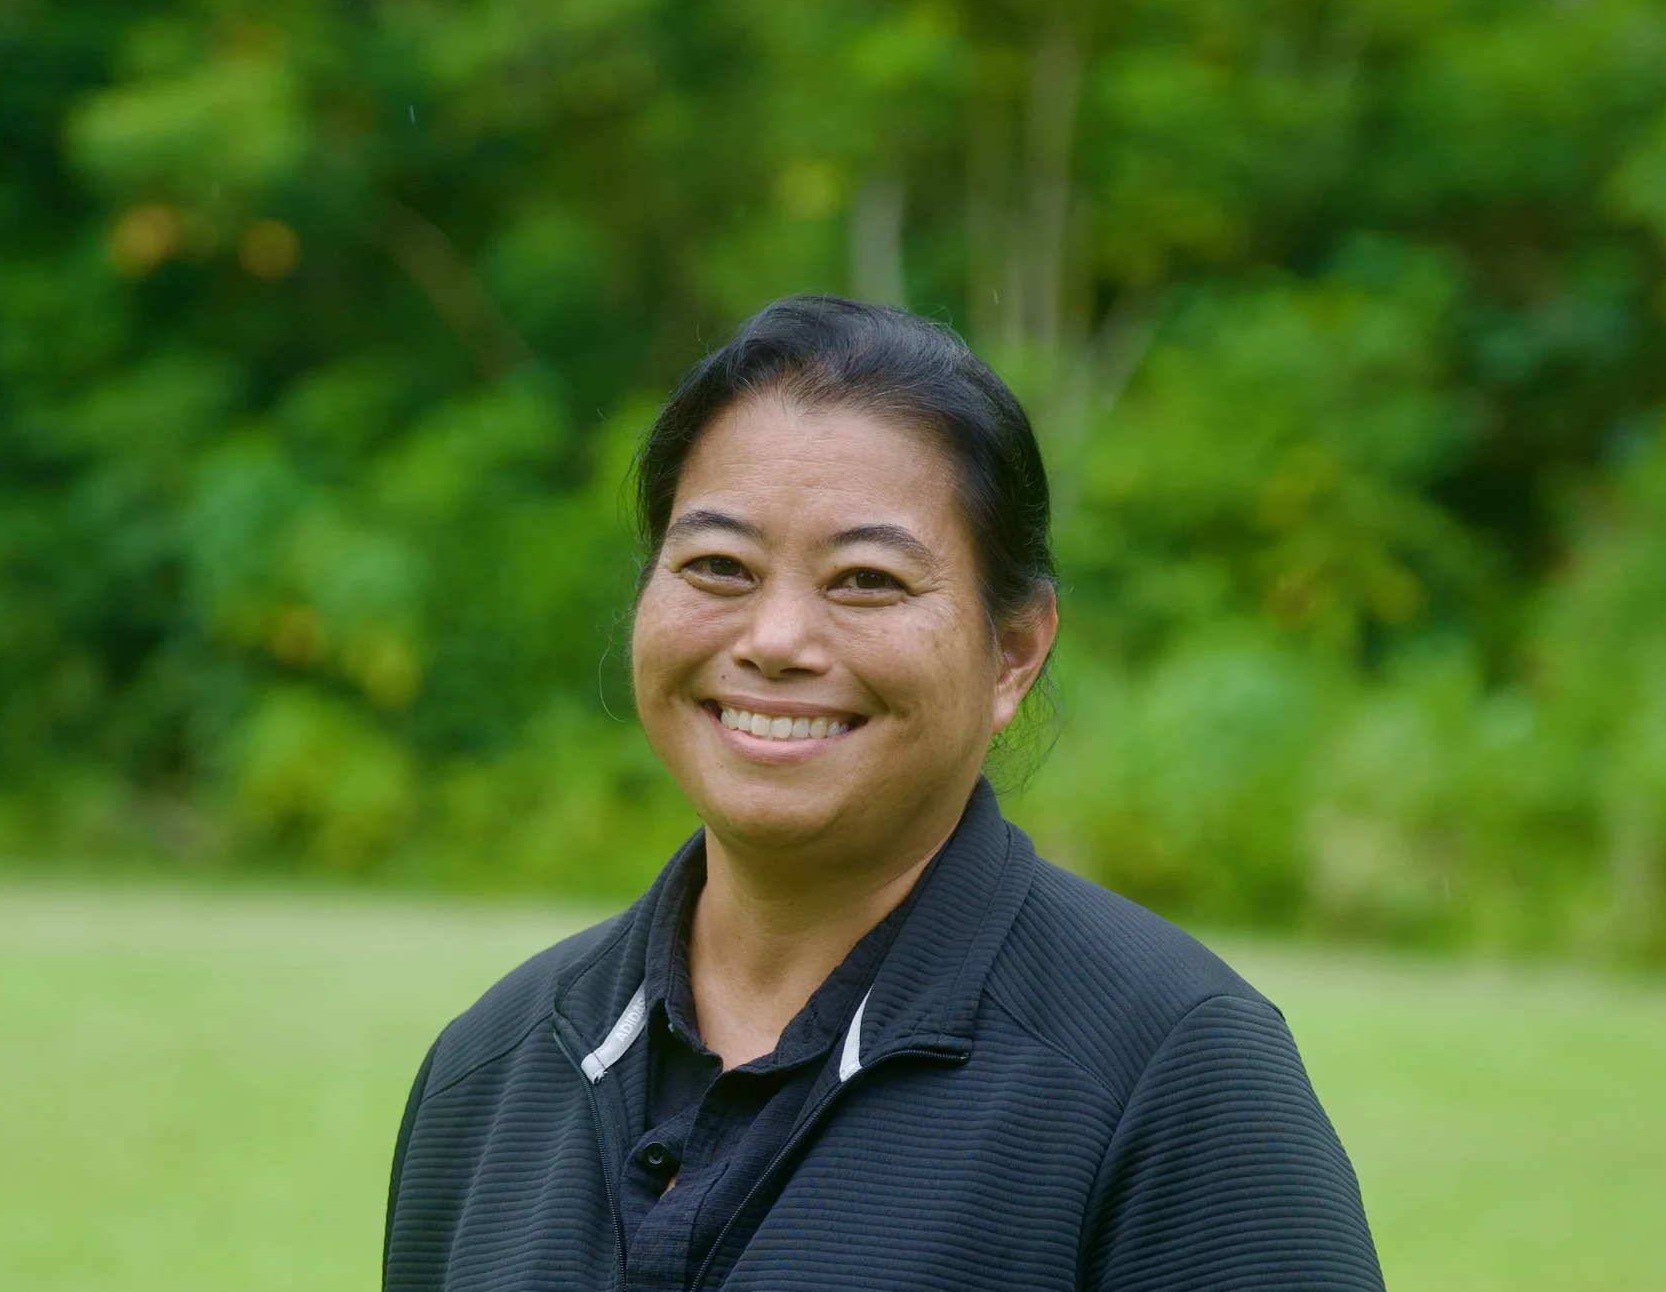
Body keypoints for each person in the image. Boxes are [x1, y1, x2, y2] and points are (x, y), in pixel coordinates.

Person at [382, 295, 1384, 1291]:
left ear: (1013, 650)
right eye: (718, 565)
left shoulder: (1173, 1073)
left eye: (866, 579)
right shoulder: (490, 1072)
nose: (776, 640)